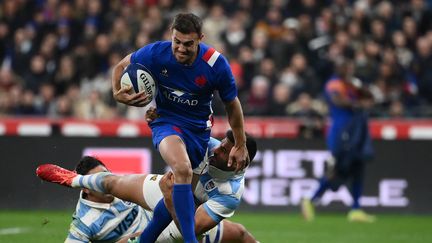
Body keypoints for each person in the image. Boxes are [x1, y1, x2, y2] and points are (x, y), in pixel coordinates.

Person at [111, 13, 249, 243]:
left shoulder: (216, 65)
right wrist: (117, 92)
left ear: (200, 39)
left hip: (198, 130)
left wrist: (241, 142)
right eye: (177, 42)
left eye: (188, 44)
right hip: (166, 121)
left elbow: (232, 105)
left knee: (180, 190)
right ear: (171, 36)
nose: (181, 49)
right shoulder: (156, 53)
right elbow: (121, 65)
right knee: (182, 169)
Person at [36, 130, 258, 242]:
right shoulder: (206, 143)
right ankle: (72, 179)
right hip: (170, 193)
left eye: (224, 151)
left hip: (183, 221)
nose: (217, 149)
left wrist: (171, 202)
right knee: (114, 182)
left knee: (238, 233)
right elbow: (174, 135)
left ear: (239, 162)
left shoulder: (230, 194)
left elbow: (192, 230)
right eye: (221, 143)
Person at [301, 58, 376, 223]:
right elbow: (338, 100)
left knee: (358, 168)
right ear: (339, 68)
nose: (349, 70)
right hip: (341, 133)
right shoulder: (334, 83)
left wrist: (358, 88)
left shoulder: (352, 84)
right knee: (339, 170)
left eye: (350, 66)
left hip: (355, 133)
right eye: (346, 67)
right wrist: (358, 103)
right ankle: (311, 199)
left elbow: (370, 97)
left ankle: (356, 209)